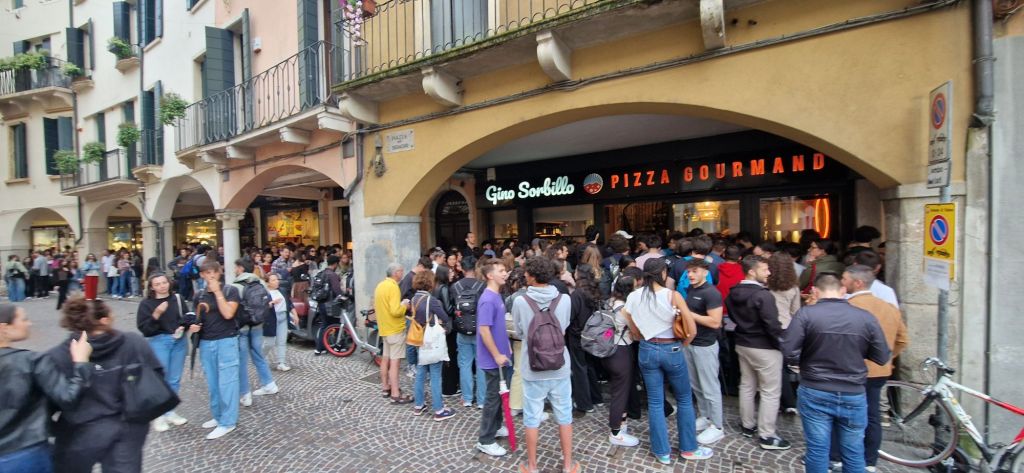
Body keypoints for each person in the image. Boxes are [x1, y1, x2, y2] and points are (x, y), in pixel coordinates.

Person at [782, 272, 891, 473]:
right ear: (842, 291)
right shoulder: (865, 318)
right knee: (854, 451)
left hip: (815, 387)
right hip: (852, 390)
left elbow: (788, 350)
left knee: (817, 449)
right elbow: (882, 356)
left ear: (815, 291)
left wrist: (805, 362)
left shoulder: (807, 314)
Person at [48, 297, 162, 472]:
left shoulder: (55, 356)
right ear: (104, 320)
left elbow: (48, 404)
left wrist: (58, 430)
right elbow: (156, 379)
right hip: (126, 429)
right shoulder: (133, 343)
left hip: (78, 431)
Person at [620, 258, 712, 465]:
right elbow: (692, 329)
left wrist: (638, 334)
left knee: (655, 401)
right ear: (662, 273)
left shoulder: (635, 295)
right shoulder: (673, 295)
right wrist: (682, 345)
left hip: (647, 348)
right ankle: (689, 448)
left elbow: (626, 316)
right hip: (671, 348)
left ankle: (661, 451)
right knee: (684, 399)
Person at [834, 265, 909, 472]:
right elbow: (902, 340)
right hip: (879, 370)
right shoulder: (889, 308)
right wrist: (885, 358)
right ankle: (869, 460)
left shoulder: (846, 306)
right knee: (873, 413)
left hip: (848, 368)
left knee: (841, 412)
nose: (842, 282)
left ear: (858, 283)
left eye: (845, 279)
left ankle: (838, 456)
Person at [0, 304, 92, 472]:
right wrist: (81, 362)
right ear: (4, 328)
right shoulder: (32, 361)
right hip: (26, 451)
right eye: (24, 319)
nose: (29, 323)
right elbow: (68, 398)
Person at [511, 257, 578, 473]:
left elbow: (520, 332)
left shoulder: (520, 301)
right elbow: (564, 327)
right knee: (565, 415)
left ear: (531, 276)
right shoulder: (564, 299)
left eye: (526, 273)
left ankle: (532, 466)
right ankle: (568, 465)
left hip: (532, 366)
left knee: (532, 416)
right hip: (559, 364)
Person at [725, 255, 791, 450]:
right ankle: (767, 434)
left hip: (742, 342)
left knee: (747, 385)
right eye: (765, 269)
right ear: (752, 272)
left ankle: (747, 424)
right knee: (770, 391)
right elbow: (772, 325)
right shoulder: (763, 295)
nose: (769, 272)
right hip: (764, 346)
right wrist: (781, 344)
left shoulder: (733, 292)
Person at [194, 259, 242, 440]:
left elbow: (228, 314)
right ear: (202, 275)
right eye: (207, 273)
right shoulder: (199, 295)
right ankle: (218, 416)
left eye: (214, 272)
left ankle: (228, 422)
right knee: (213, 383)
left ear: (219, 272)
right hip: (206, 343)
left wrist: (217, 293)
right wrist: (194, 326)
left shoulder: (230, 291)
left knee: (228, 383)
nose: (211, 276)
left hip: (226, 341)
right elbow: (198, 318)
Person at [136, 273, 190, 433]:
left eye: (164, 282)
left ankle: (170, 411)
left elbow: (187, 317)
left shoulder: (177, 299)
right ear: (152, 287)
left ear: (169, 283)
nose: (162, 286)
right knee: (160, 379)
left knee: (174, 379)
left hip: (178, 341)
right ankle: (158, 415)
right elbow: (145, 329)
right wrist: (156, 314)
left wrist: (185, 326)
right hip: (159, 342)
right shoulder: (146, 304)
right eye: (157, 284)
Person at [682, 258, 726, 445]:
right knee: (697, 385)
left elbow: (715, 322)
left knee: (710, 387)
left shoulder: (711, 293)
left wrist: (688, 314)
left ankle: (717, 426)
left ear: (705, 272)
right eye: (689, 272)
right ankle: (706, 416)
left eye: (695, 271)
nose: (691, 275)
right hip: (691, 342)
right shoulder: (692, 290)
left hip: (705, 345)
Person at [474, 258, 514, 457]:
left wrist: (506, 347)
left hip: (500, 356)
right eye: (501, 270)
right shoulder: (488, 299)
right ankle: (485, 440)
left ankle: (496, 427)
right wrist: (497, 354)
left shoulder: (497, 296)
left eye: (505, 270)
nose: (505, 273)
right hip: (492, 359)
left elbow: (498, 327)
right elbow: (484, 330)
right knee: (492, 399)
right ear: (490, 275)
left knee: (498, 395)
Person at [600, 276, 641, 448]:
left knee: (618, 389)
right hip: (621, 352)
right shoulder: (625, 309)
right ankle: (616, 431)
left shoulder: (609, 302)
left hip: (608, 349)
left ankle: (622, 423)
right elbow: (637, 333)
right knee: (620, 393)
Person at [409, 271, 456, 420]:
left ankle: (418, 405)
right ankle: (439, 410)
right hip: (432, 341)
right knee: (436, 374)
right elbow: (445, 317)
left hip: (419, 339)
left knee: (421, 372)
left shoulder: (414, 299)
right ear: (430, 283)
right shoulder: (432, 300)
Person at [233, 258, 278, 406]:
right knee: (258, 354)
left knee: (242, 361)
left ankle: (245, 394)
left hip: (242, 327)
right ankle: (269, 384)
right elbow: (267, 303)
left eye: (236, 267)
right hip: (258, 325)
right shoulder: (261, 283)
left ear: (240, 268)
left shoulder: (236, 286)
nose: (235, 270)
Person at [766, 252, 802, 414]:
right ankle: (790, 401)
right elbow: (796, 311)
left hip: (768, 326)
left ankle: (786, 401)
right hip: (786, 327)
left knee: (775, 366)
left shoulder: (766, 285)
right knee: (785, 366)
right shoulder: (793, 287)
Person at [567, 263, 603, 414]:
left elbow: (570, 316)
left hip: (578, 336)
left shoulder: (577, 294)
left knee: (579, 369)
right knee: (590, 366)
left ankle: (584, 403)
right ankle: (596, 398)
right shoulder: (595, 291)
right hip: (593, 335)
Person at [450, 257, 487, 408]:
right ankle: (482, 400)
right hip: (479, 329)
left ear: (463, 269)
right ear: (476, 267)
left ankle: (467, 398)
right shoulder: (482, 286)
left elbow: (453, 307)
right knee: (481, 365)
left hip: (462, 330)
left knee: (464, 364)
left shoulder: (455, 286)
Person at [375, 262, 413, 403]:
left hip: (385, 329)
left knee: (385, 359)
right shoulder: (393, 287)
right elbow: (395, 311)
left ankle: (385, 387)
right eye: (401, 271)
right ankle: (396, 394)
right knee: (395, 363)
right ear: (396, 273)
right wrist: (405, 306)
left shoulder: (380, 285)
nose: (402, 274)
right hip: (395, 330)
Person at [264, 273, 297, 371]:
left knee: (282, 341)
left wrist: (295, 315)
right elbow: (261, 306)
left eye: (277, 279)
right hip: (271, 319)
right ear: (268, 283)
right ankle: (260, 357)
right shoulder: (265, 293)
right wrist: (272, 303)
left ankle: (281, 363)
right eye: (273, 280)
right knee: (269, 342)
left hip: (283, 317)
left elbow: (289, 304)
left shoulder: (282, 290)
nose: (276, 282)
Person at [312, 255, 342, 356]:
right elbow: (337, 290)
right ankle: (338, 346)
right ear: (336, 264)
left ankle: (319, 348)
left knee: (324, 325)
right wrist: (344, 296)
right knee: (337, 325)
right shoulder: (332, 275)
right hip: (330, 305)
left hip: (321, 303)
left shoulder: (321, 273)